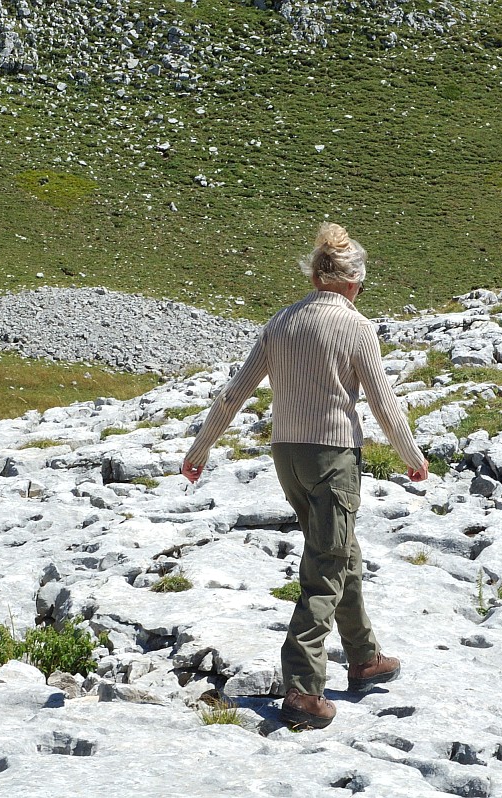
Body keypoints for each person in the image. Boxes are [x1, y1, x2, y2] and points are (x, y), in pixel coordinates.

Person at [181, 222, 430, 729]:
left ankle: (364, 657)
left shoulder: (282, 322)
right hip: (333, 457)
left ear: (316, 278)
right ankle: (302, 690)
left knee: (338, 551)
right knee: (325, 566)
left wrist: (199, 448)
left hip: (286, 455)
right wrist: (410, 454)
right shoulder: (357, 327)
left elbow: (234, 393)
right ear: (354, 281)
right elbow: (383, 401)